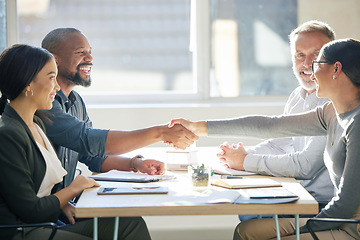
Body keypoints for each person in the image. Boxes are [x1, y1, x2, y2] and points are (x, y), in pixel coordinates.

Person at [169, 38, 360, 239]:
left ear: (336, 69)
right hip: (338, 219)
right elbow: (269, 125)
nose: (311, 72)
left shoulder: (356, 123)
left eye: (317, 64)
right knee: (246, 232)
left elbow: (345, 203)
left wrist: (300, 230)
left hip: (351, 225)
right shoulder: (330, 112)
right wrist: (198, 127)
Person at [0, 44, 151, 240]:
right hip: (24, 232)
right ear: (28, 84)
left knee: (130, 223)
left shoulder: (36, 123)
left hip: (46, 221)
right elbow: (31, 210)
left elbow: (40, 188)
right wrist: (73, 189)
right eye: (51, 77)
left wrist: (64, 203)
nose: (56, 87)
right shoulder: (8, 134)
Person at [40, 28, 198, 192]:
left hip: (66, 205)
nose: (90, 59)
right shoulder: (45, 103)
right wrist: (161, 133)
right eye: (80, 52)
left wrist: (134, 163)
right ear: (54, 59)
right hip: (50, 208)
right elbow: (87, 141)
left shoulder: (76, 101)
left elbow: (91, 155)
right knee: (129, 217)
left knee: (130, 215)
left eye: (90, 52)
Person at [218, 20, 335, 221]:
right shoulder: (297, 96)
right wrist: (237, 155)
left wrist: (245, 161)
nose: (307, 64)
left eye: (316, 55)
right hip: (301, 194)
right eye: (300, 55)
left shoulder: (334, 101)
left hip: (324, 205)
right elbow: (280, 145)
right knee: (245, 208)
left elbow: (306, 166)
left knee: (249, 217)